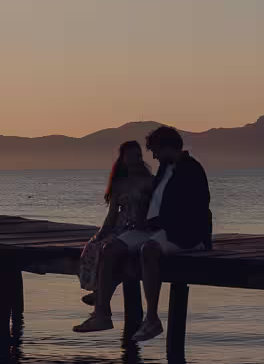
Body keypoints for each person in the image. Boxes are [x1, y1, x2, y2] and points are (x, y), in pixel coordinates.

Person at [74, 124, 211, 341]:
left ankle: (152, 320)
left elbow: (196, 207)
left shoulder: (191, 170)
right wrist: (145, 221)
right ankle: (102, 314)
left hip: (185, 233)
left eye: (155, 150)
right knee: (111, 248)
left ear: (167, 147)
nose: (153, 156)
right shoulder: (166, 169)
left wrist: (158, 223)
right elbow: (156, 203)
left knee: (149, 250)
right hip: (156, 229)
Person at [78, 141, 154, 304]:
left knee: (113, 252)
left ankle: (102, 295)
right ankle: (98, 289)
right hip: (120, 226)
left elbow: (156, 209)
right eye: (131, 156)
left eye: (138, 156)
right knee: (95, 246)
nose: (135, 159)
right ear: (123, 159)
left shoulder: (150, 181)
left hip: (140, 228)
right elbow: (112, 214)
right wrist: (100, 234)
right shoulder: (119, 183)